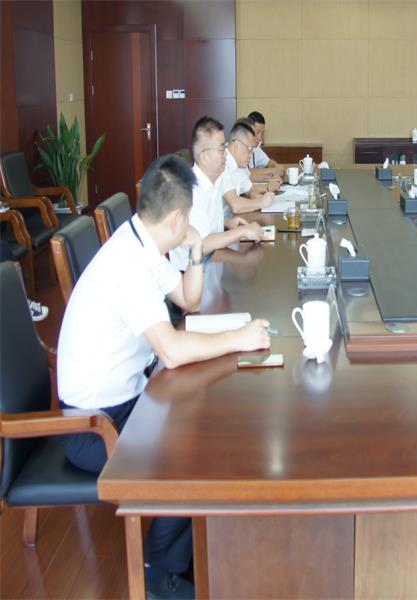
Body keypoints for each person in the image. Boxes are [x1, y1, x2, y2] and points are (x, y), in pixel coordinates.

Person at [57, 155, 272, 598]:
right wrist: (240, 337)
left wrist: (195, 250)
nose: (191, 224)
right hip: (93, 425)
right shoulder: (127, 263)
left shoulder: (142, 241)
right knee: (194, 447)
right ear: (176, 217)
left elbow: (189, 301)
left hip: (128, 395)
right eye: (188, 218)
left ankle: (183, 548)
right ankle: (159, 568)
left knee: (207, 419)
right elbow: (171, 352)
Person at [170, 116, 268, 271]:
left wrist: (227, 223)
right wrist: (242, 231)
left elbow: (205, 223)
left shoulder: (215, 178)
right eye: (222, 149)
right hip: (192, 273)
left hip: (213, 261)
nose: (226, 154)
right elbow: (203, 244)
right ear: (204, 156)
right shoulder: (191, 190)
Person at [222, 119, 276, 214]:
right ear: (237, 144)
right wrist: (261, 202)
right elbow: (236, 206)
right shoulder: (223, 164)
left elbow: (249, 190)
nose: (250, 155)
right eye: (249, 149)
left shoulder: (238, 165)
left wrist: (258, 197)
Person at [247, 110, 284, 180]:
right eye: (257, 132)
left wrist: (277, 167)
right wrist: (274, 171)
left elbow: (269, 162)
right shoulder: (239, 147)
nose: (260, 137)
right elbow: (247, 173)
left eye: (262, 133)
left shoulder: (255, 148)